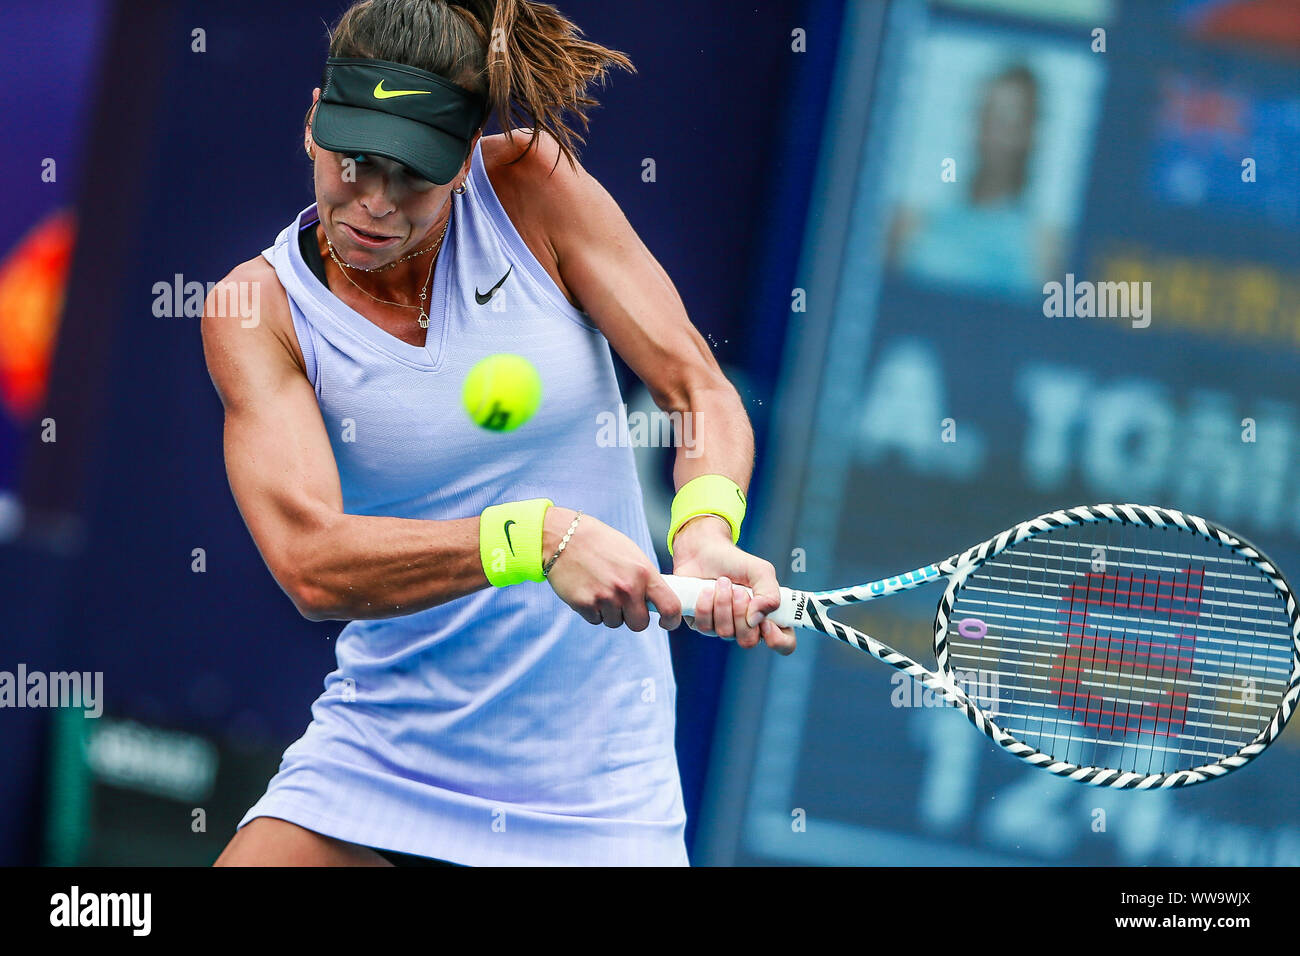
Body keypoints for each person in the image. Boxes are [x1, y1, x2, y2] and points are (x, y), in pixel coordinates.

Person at [203, 0, 794, 867]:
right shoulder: (255, 312)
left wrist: (703, 530)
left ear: (462, 162)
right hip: (377, 760)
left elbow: (695, 384)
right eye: (354, 162)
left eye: (411, 175)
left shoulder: (531, 189)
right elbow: (310, 562)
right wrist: (535, 540)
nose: (372, 203)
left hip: (598, 799)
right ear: (310, 129)